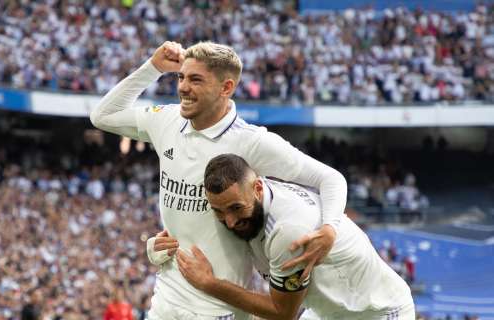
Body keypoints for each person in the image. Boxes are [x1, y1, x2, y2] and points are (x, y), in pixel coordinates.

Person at [90, 41, 347, 319]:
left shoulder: (251, 142)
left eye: (196, 80)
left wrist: (329, 229)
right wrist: (152, 68)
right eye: (181, 77)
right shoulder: (166, 119)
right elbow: (103, 115)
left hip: (218, 310)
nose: (183, 87)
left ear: (226, 88)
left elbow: (330, 179)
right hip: (165, 301)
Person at [176, 154, 415, 320]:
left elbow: (283, 313)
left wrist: (209, 284)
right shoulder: (252, 200)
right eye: (219, 211)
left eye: (236, 208)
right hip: (328, 312)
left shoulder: (287, 231)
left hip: (377, 312)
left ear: (258, 189)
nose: (230, 221)